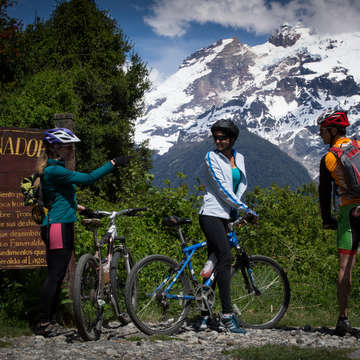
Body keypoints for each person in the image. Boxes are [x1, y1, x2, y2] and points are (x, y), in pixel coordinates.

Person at [34, 127, 128, 337]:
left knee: (57, 275)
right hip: (58, 226)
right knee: (55, 275)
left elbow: (59, 197)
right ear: (56, 147)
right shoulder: (54, 170)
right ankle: (44, 322)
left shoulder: (52, 169)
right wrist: (112, 163)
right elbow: (88, 178)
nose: (70, 150)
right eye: (67, 146)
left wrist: (82, 209)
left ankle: (48, 320)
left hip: (59, 224)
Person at [198, 119, 258, 333]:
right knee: (225, 259)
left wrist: (236, 212)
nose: (218, 141)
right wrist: (244, 208)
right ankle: (227, 315)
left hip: (227, 215)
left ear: (232, 139)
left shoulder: (239, 157)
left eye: (222, 137)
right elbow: (222, 188)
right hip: (211, 213)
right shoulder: (211, 157)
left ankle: (204, 317)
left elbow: (238, 186)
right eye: (215, 137)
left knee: (212, 266)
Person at [317, 110, 360, 336]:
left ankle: (343, 318)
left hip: (349, 213)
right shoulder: (358, 145)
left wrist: (327, 219)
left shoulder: (329, 158)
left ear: (333, 131)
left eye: (322, 130)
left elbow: (325, 193)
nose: (320, 134)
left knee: (345, 267)